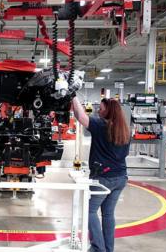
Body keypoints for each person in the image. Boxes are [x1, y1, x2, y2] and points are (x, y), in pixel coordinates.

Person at [71, 97, 130, 252]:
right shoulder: (125, 130)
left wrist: (73, 97)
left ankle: (98, 248)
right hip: (121, 177)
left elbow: (80, 116)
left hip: (104, 178)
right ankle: (108, 249)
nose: (98, 111)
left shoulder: (100, 125)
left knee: (89, 211)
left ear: (108, 111)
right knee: (108, 214)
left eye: (101, 109)